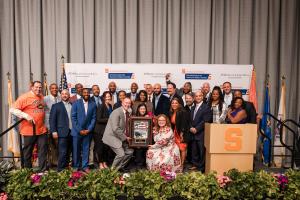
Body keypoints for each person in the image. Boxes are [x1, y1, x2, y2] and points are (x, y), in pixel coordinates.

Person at [10, 81, 48, 171]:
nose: (38, 89)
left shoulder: (41, 97)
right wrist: (26, 116)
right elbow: (12, 109)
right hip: (29, 130)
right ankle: (27, 172)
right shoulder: (25, 97)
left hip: (41, 130)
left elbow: (41, 111)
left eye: (40, 87)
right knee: (28, 152)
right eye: (36, 87)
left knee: (42, 151)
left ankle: (43, 171)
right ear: (32, 87)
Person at [102, 97, 134, 171]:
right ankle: (112, 171)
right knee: (121, 154)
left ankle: (119, 167)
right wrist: (125, 137)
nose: (127, 104)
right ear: (122, 103)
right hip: (112, 136)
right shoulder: (116, 112)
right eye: (126, 103)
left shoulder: (128, 112)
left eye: (129, 103)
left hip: (120, 136)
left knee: (130, 152)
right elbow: (115, 128)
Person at [71, 88, 97, 172]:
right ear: (81, 94)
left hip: (87, 132)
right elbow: (73, 118)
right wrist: (80, 130)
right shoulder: (75, 103)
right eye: (84, 92)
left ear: (90, 94)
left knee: (86, 149)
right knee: (76, 150)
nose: (86, 94)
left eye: (88, 93)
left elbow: (93, 118)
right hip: (77, 132)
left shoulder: (93, 104)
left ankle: (85, 166)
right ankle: (76, 166)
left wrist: (89, 129)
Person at [189, 91, 212, 172]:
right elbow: (190, 120)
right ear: (194, 97)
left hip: (201, 133)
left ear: (202, 97)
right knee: (194, 150)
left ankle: (201, 168)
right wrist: (191, 127)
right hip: (192, 133)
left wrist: (197, 129)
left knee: (201, 151)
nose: (198, 97)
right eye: (196, 96)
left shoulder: (206, 107)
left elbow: (205, 120)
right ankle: (195, 165)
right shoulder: (192, 107)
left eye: (200, 96)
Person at [49, 89, 72, 171]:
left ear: (69, 95)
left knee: (69, 151)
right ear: (61, 96)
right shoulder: (56, 106)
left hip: (72, 132)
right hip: (61, 132)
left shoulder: (72, 105)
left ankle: (66, 167)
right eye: (63, 94)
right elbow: (52, 120)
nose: (65, 95)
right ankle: (60, 169)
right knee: (62, 152)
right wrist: (53, 131)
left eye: (66, 94)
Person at [93, 91, 113, 169]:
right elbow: (98, 119)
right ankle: (100, 163)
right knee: (100, 148)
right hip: (99, 131)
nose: (108, 98)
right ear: (104, 98)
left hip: (107, 131)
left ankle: (104, 162)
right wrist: (109, 119)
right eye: (106, 96)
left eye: (109, 96)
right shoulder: (101, 106)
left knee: (106, 148)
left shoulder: (110, 106)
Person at [170, 98, 190, 170]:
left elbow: (184, 124)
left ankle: (182, 165)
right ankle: (177, 163)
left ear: (179, 104)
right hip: (175, 132)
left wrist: (182, 133)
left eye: (176, 103)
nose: (174, 104)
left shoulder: (182, 112)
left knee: (183, 148)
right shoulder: (172, 112)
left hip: (181, 133)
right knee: (177, 148)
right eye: (173, 103)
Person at [44, 83, 61, 167]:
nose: (54, 89)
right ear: (50, 89)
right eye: (53, 88)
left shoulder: (60, 98)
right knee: (48, 145)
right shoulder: (45, 99)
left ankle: (56, 162)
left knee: (56, 145)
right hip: (48, 125)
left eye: (56, 88)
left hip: (58, 126)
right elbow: (42, 113)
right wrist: (46, 126)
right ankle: (48, 163)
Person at [133, 103, 150, 168]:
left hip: (146, 138)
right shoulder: (134, 117)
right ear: (138, 110)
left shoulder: (148, 117)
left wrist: (149, 119)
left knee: (145, 147)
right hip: (137, 138)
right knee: (139, 147)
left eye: (144, 109)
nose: (143, 110)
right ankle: (138, 164)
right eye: (141, 109)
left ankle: (145, 163)